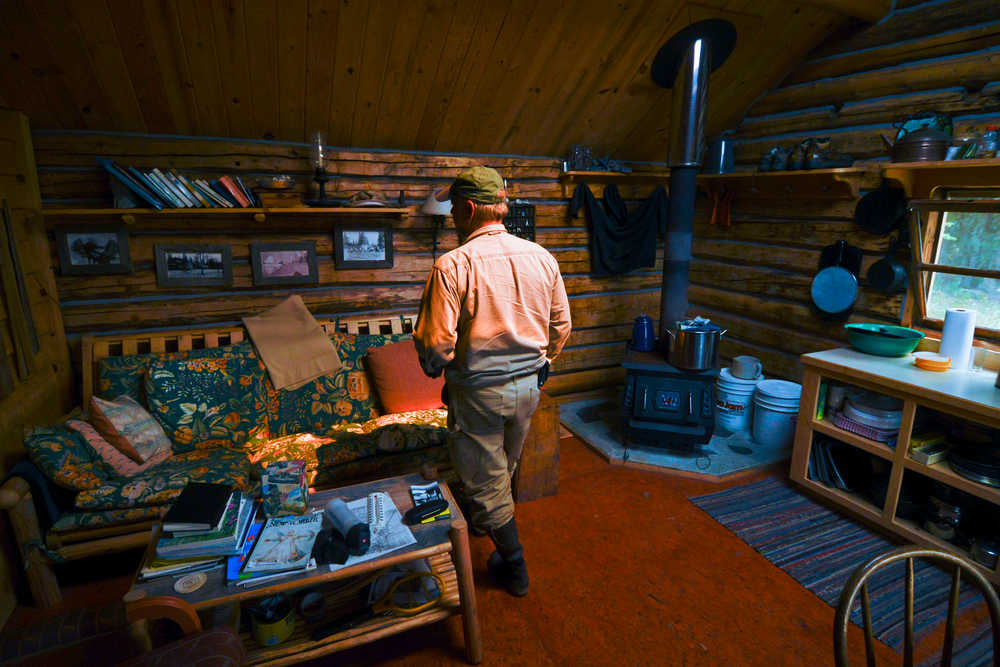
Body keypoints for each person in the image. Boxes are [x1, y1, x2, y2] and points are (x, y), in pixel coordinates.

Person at [414, 166, 571, 597]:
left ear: (467, 209)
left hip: (480, 392)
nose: (450, 218)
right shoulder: (542, 257)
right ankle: (490, 522)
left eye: (452, 210)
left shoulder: (453, 265)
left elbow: (435, 345)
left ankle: (514, 564)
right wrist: (542, 364)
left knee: (486, 479)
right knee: (503, 466)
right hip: (529, 389)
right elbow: (561, 326)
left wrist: (437, 370)